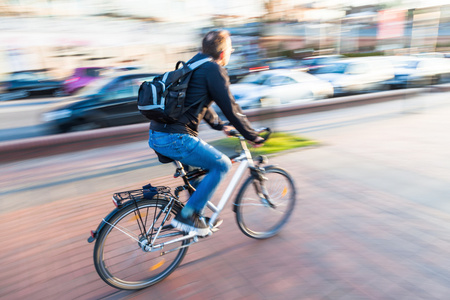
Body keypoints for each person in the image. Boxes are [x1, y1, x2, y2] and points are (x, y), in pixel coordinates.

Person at [148, 29, 264, 236]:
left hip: (158, 134)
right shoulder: (213, 70)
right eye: (230, 49)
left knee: (197, 176)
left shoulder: (191, 65)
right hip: (177, 138)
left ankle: (195, 217)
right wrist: (252, 135)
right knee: (221, 164)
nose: (231, 52)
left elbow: (198, 102)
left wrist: (220, 126)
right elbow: (231, 107)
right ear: (222, 54)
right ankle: (188, 216)